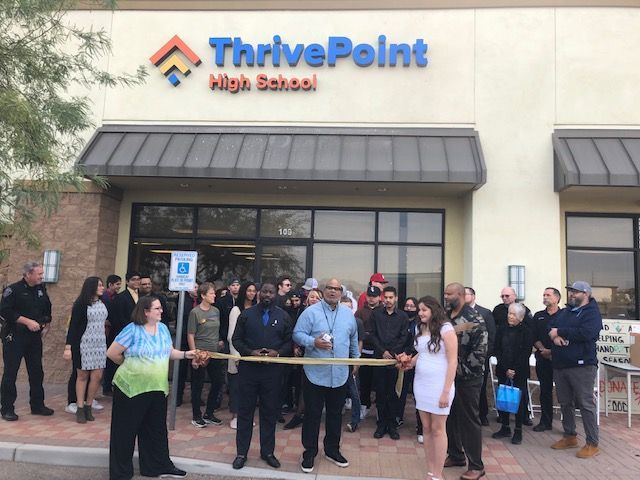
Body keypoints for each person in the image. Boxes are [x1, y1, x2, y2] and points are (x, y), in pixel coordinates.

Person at [107, 295, 197, 480]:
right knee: (125, 431)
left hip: (157, 387)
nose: (161, 311)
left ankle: (156, 466)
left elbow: (169, 352)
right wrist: (130, 364)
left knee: (155, 430)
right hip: (131, 389)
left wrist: (188, 354)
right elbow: (112, 353)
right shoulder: (131, 330)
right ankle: (121, 473)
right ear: (146, 312)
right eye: (157, 308)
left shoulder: (163, 329)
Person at [293, 278, 359, 474]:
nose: (333, 291)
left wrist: (355, 360)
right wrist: (314, 342)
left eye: (336, 289)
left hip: (339, 374)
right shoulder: (310, 312)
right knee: (312, 414)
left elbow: (353, 339)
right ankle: (309, 452)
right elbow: (297, 334)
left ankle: (332, 450)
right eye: (329, 288)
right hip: (314, 373)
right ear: (324, 291)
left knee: (335, 414)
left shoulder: (348, 315)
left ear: (341, 293)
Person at [230, 283, 292, 470]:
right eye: (264, 291)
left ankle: (268, 452)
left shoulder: (283, 316)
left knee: (269, 413)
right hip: (249, 371)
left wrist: (278, 353)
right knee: (245, 413)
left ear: (275, 295)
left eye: (271, 292)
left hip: (272, 373)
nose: (267, 295)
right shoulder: (246, 315)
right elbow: (236, 340)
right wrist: (250, 352)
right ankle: (241, 453)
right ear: (259, 294)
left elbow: (290, 341)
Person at [402, 296, 457, 480]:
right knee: (426, 428)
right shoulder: (419, 327)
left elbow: (452, 361)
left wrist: (446, 391)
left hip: (440, 385)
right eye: (419, 310)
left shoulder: (446, 329)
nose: (420, 313)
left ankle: (438, 474)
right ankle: (430, 470)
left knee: (438, 429)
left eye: (424, 310)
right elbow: (422, 352)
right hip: (421, 384)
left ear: (434, 310)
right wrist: (409, 362)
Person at [549, 281, 602, 459]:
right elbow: (551, 328)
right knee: (565, 402)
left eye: (575, 292)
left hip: (582, 365)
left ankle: (592, 443)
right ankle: (570, 436)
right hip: (561, 363)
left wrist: (560, 331)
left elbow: (587, 333)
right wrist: (555, 338)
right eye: (570, 291)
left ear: (586, 293)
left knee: (585, 404)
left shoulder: (592, 313)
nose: (571, 294)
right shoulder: (565, 311)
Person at [443, 282, 488, 480]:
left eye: (449, 294)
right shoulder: (446, 315)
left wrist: (458, 371)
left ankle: (476, 466)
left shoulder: (474, 318)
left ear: (460, 295)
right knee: (450, 417)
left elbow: (480, 353)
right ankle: (455, 455)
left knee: (469, 420)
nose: (446, 297)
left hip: (468, 378)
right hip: (447, 377)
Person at [0, 261, 53, 421]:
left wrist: (47, 324)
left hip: (34, 337)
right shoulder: (13, 290)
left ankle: (37, 405)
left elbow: (47, 307)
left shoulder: (41, 289)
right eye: (39, 274)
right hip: (15, 336)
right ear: (28, 274)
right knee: (11, 372)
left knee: (37, 372)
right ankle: (7, 408)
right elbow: (4, 310)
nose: (41, 277)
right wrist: (27, 321)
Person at [63, 276, 109, 424]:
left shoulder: (103, 302)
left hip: (100, 343)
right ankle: (80, 407)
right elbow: (74, 326)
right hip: (84, 343)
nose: (102, 288)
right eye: (100, 285)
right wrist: (68, 347)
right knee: (82, 375)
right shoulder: (81, 304)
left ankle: (89, 404)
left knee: (97, 376)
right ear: (92, 287)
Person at [369, 286, 408, 440]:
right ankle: (381, 424)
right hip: (379, 358)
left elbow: (404, 337)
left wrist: (391, 353)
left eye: (391, 297)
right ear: (382, 298)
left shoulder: (403, 317)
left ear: (396, 298)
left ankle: (392, 425)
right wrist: (382, 351)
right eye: (386, 297)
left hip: (395, 360)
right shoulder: (376, 314)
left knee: (393, 393)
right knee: (380, 392)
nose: (388, 300)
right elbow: (372, 334)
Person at [491, 303, 533, 445]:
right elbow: (497, 349)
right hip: (503, 369)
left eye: (514, 314)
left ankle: (518, 430)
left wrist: (514, 369)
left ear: (521, 317)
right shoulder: (502, 329)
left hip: (519, 371)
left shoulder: (526, 332)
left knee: (519, 401)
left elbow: (525, 353)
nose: (510, 316)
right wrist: (506, 368)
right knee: (503, 398)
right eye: (509, 313)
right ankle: (505, 427)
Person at [283, 287, 323, 430]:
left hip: (319, 353)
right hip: (303, 352)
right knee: (302, 385)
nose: (314, 299)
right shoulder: (302, 312)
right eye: (311, 297)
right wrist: (295, 346)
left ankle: (308, 414)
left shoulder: (324, 314)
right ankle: (299, 415)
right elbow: (297, 331)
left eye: (317, 297)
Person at [187, 282, 224, 428]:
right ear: (203, 295)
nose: (214, 295)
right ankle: (196, 415)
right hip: (200, 352)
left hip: (214, 353)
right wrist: (194, 354)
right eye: (211, 293)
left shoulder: (216, 311)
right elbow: (191, 334)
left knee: (217, 382)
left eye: (214, 293)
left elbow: (216, 329)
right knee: (198, 385)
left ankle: (209, 413)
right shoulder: (195, 312)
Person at [104, 271, 140, 396]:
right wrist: (130, 330)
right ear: (128, 281)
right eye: (133, 279)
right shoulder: (121, 297)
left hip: (138, 335)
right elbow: (118, 317)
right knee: (117, 361)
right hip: (124, 333)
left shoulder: (142, 297)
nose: (136, 282)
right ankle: (112, 386)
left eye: (138, 279)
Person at [227, 281, 257, 429]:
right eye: (249, 290)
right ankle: (235, 416)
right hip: (238, 355)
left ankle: (246, 416)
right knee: (236, 387)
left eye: (254, 291)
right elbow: (231, 336)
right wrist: (236, 356)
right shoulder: (236, 310)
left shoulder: (256, 310)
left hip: (251, 355)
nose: (251, 293)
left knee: (248, 389)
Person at [464, 286, 496, 426]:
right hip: (462, 359)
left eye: (465, 294)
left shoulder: (485, 312)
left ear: (473, 296)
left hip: (480, 358)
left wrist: (482, 355)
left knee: (480, 387)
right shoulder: (458, 313)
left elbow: (491, 337)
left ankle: (482, 415)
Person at [531, 287, 562, 432]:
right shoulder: (538, 316)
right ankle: (545, 421)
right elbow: (533, 335)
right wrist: (543, 350)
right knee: (545, 390)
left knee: (565, 391)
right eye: (543, 295)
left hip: (561, 359)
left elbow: (566, 337)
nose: (545, 297)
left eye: (548, 295)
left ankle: (568, 425)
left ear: (556, 298)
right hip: (542, 357)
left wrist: (552, 351)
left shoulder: (564, 315)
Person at [355, 285, 382, 420]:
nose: (372, 299)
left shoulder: (383, 311)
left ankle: (379, 408)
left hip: (380, 352)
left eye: (374, 296)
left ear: (379, 297)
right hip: (363, 350)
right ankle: (364, 405)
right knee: (364, 381)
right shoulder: (360, 312)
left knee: (379, 382)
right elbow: (356, 331)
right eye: (369, 296)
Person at [340, 296, 363, 433]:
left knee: (355, 393)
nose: (346, 310)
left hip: (351, 361)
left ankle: (355, 421)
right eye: (343, 307)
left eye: (349, 307)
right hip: (337, 362)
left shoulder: (357, 322)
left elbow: (360, 342)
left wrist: (356, 361)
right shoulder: (334, 321)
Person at [397, 296, 419, 427]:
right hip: (402, 359)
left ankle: (420, 423)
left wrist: (410, 354)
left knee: (417, 393)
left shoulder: (419, 323)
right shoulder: (401, 320)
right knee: (401, 391)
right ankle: (398, 417)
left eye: (412, 306)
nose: (409, 308)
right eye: (406, 305)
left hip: (416, 360)